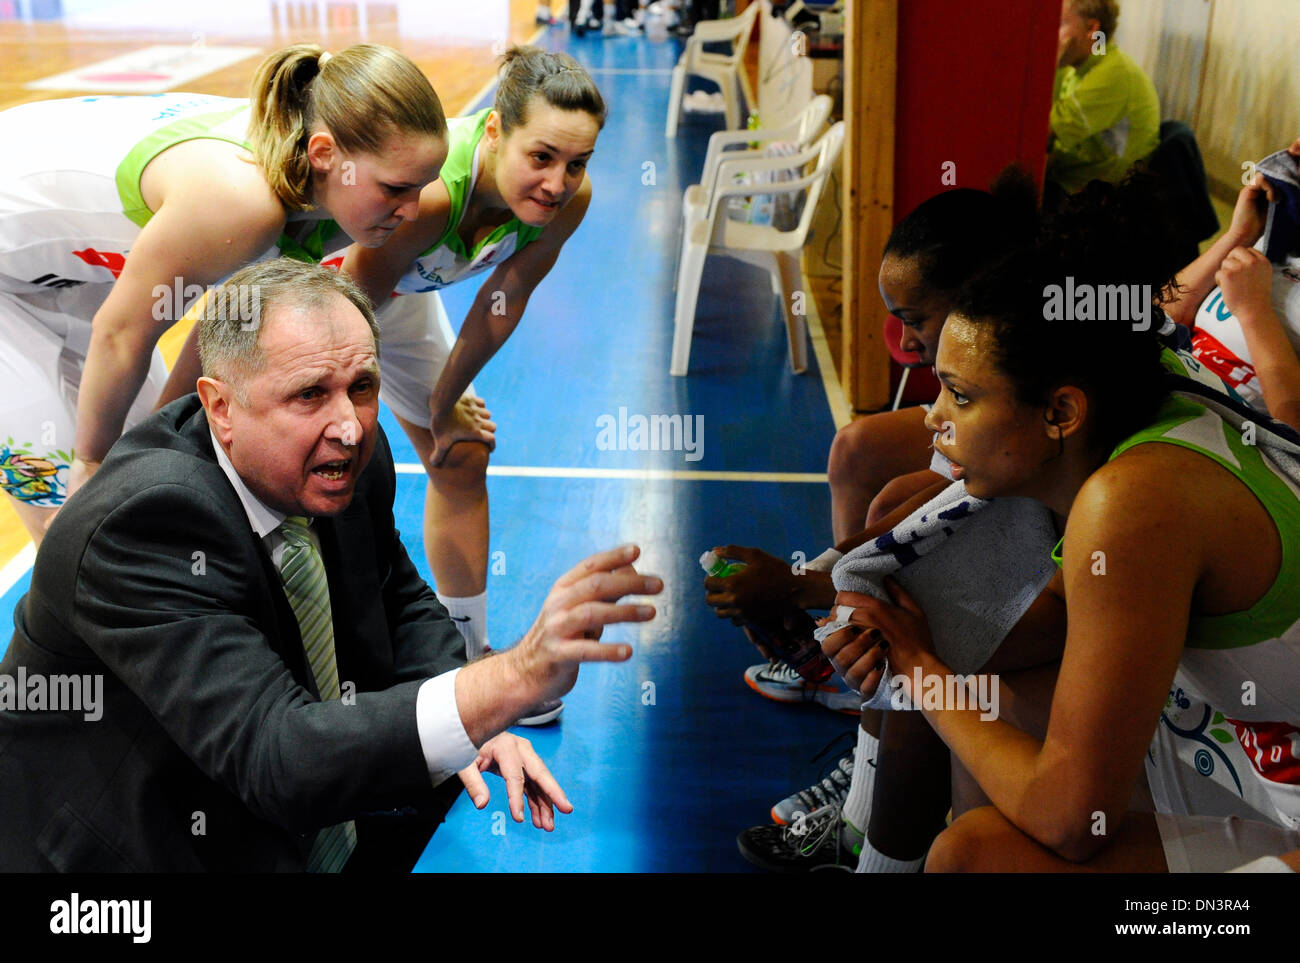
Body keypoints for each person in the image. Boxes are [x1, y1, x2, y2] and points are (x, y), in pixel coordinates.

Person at [0, 259, 661, 872]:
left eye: (362, 386)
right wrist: (504, 683)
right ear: (220, 406)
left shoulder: (339, 454)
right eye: (310, 393)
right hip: (130, 849)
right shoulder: (143, 522)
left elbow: (393, 588)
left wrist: (467, 707)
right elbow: (276, 756)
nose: (348, 424)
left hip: (277, 802)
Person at [821, 180, 1300, 873]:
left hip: (1266, 781)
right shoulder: (1147, 385)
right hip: (1253, 751)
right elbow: (1063, 613)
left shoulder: (1132, 503)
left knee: (974, 856)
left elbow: (1071, 820)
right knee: (984, 719)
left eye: (960, 394)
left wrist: (919, 668)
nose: (934, 417)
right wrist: (903, 641)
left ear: (1061, 412)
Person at [0, 42, 446, 546]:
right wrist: (94, 466)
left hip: (65, 272)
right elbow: (121, 335)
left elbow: (210, 346)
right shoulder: (241, 201)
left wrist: (138, 463)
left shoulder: (325, 193)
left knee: (137, 477)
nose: (413, 210)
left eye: (422, 186)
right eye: (396, 188)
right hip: (23, 279)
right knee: (72, 519)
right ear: (324, 155)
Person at [338, 47, 606, 723]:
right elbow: (339, 312)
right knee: (327, 460)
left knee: (459, 453)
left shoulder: (569, 202)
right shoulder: (429, 200)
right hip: (326, 297)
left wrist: (442, 404)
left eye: (577, 163)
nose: (557, 181)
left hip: (392, 295)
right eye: (541, 156)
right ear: (493, 131)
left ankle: (463, 653)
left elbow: (505, 297)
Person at [1164, 137, 1300, 431]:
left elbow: (1295, 430)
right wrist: (1240, 234)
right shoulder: (1276, 240)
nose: (1295, 147)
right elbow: (1152, 320)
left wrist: (1254, 312)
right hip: (1165, 394)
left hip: (1221, 442)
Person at [1046, 0, 1159, 199]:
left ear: (1092, 28)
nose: (1050, 35)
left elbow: (1044, 131)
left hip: (1097, 196)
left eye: (1060, 24)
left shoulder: (1113, 74)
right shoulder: (1085, 66)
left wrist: (1046, 62)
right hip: (1072, 177)